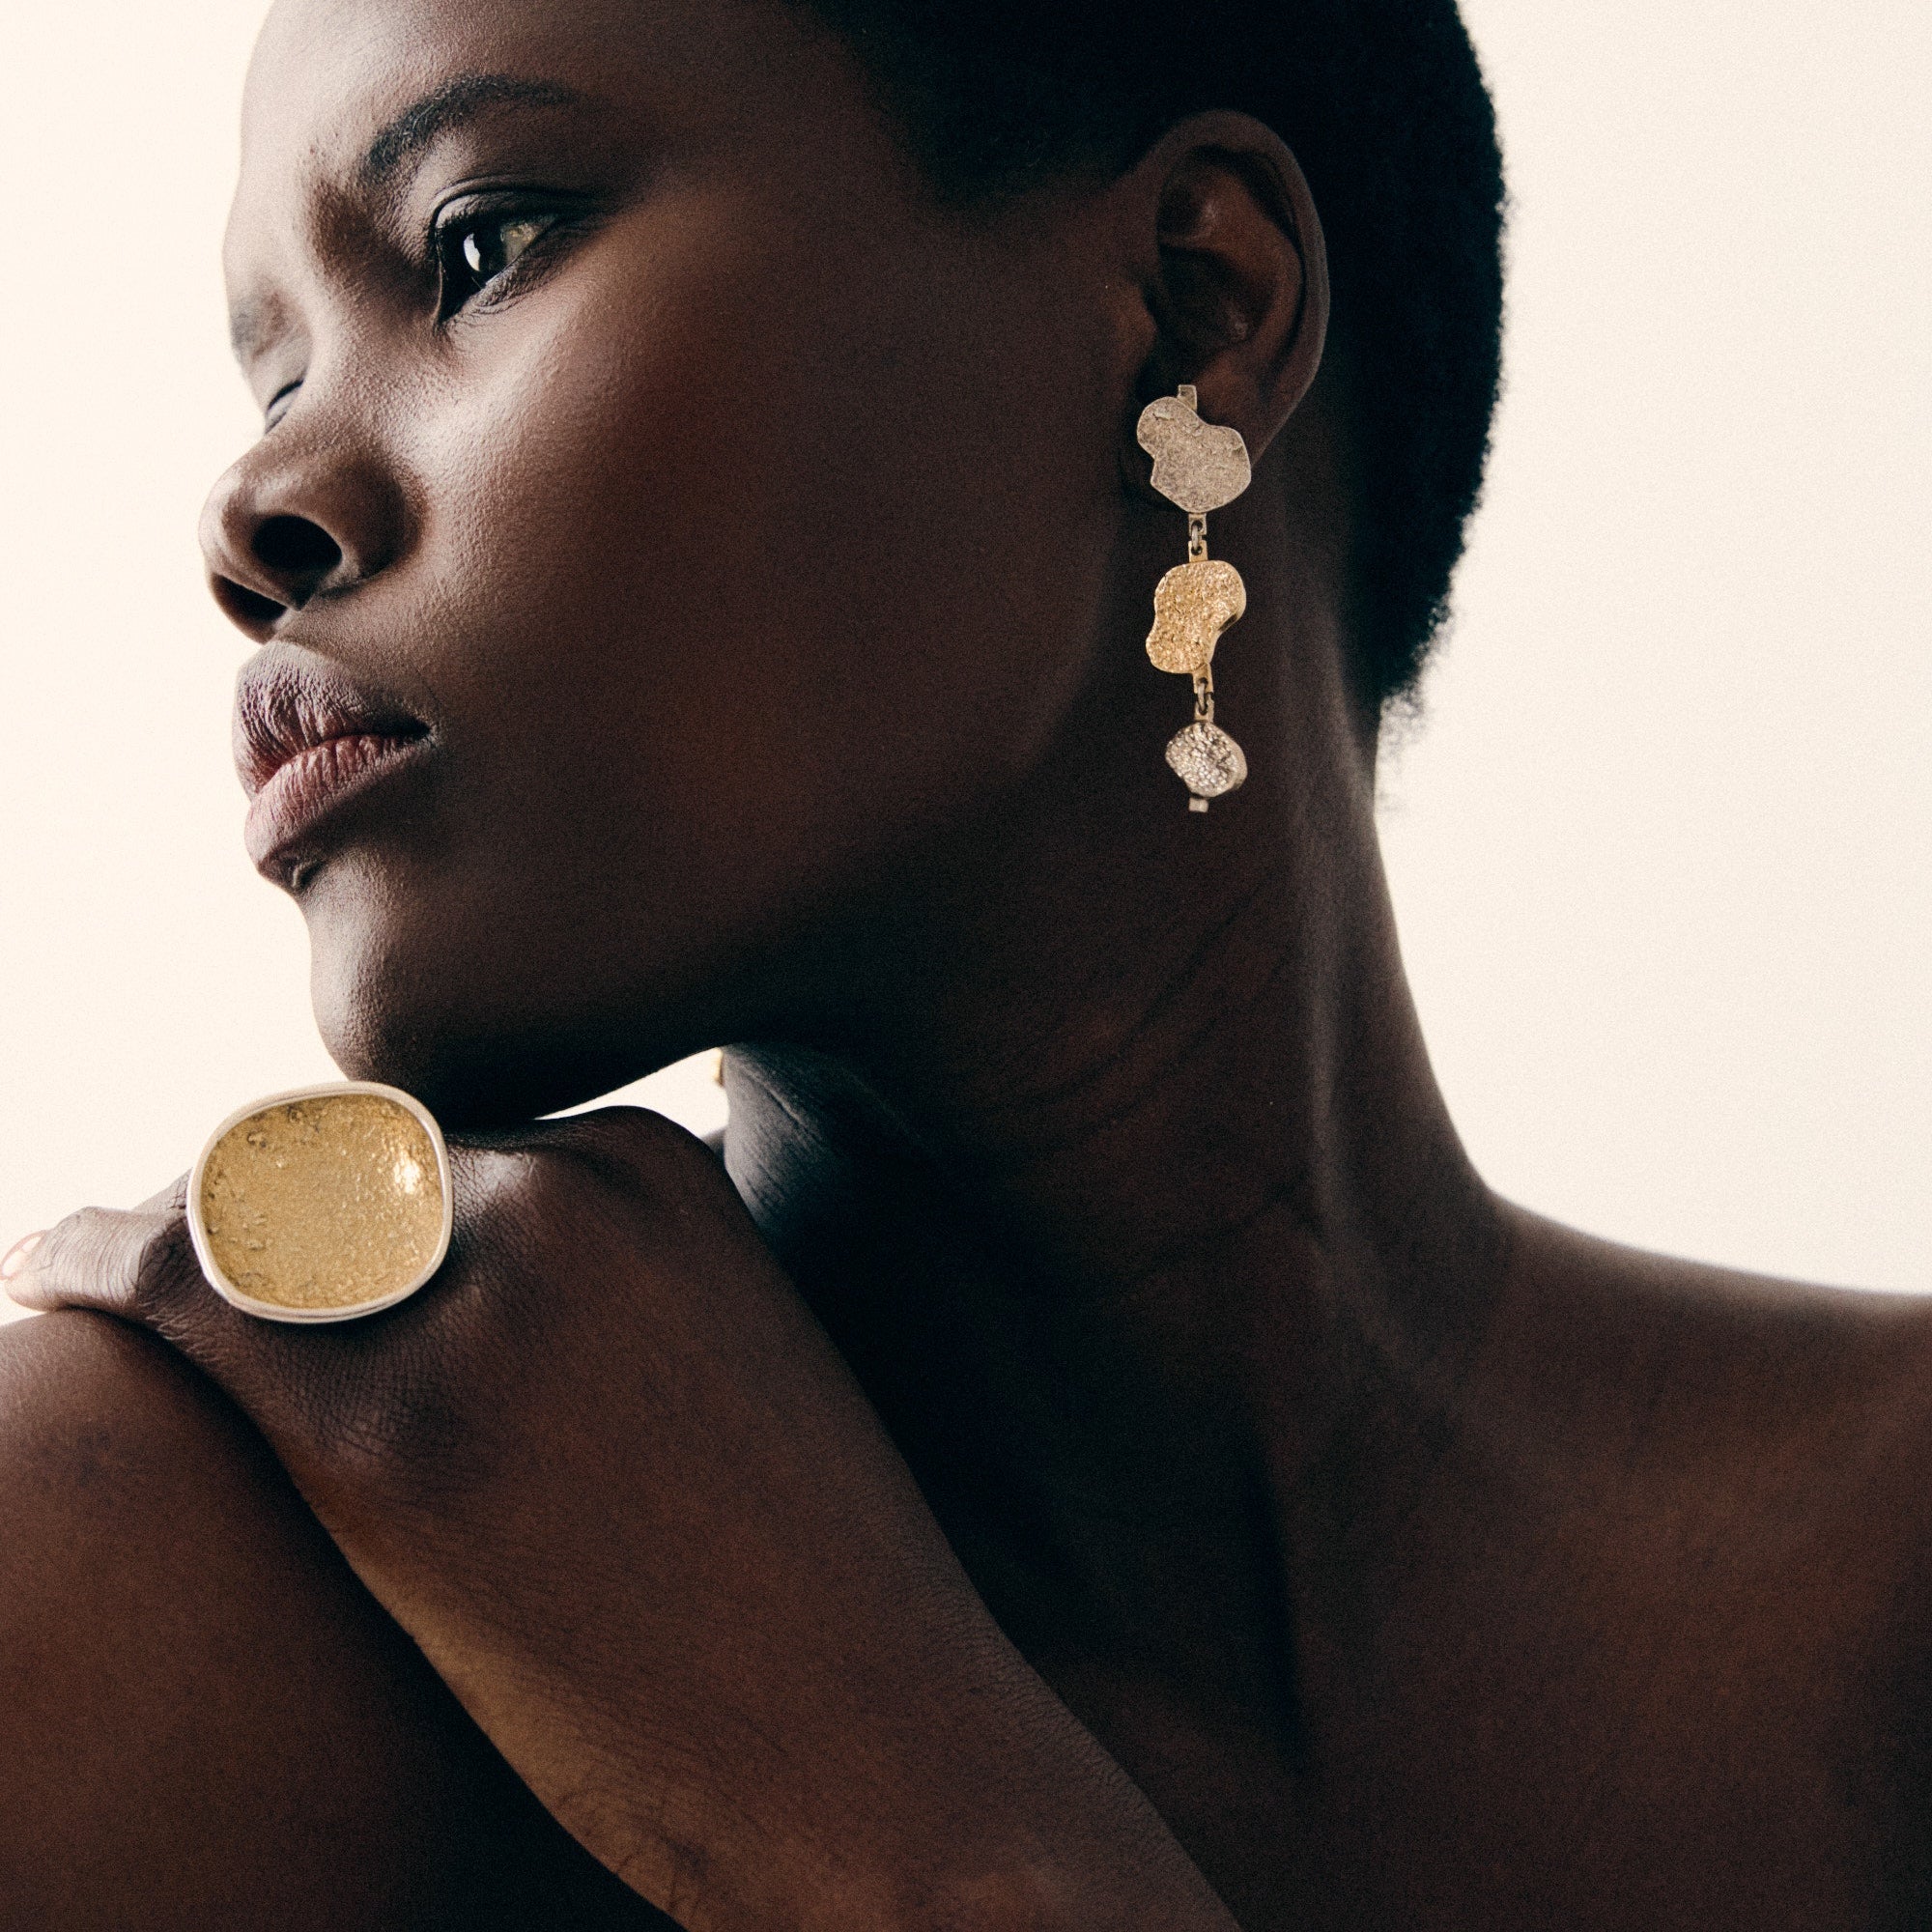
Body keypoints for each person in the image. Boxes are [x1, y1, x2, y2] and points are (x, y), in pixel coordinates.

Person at [4, 0, 1928, 1924]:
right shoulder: (118, 1586)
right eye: (273, 376)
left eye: (474, 247)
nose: (248, 519)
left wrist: (928, 1839)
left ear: (1193, 309)